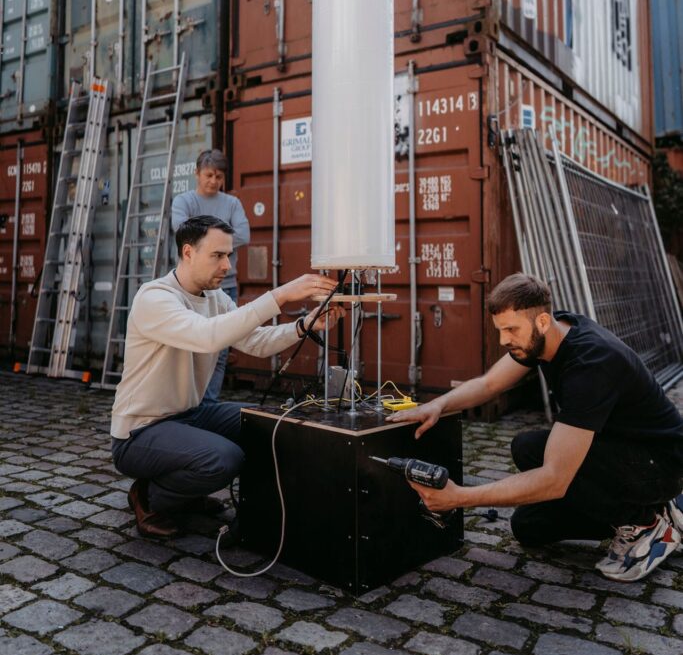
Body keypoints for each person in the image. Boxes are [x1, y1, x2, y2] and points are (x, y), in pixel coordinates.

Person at [392, 273, 683, 582]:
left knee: (545, 463)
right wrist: (437, 405)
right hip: (614, 451)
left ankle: (647, 525)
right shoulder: (547, 335)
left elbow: (555, 479)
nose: (504, 340)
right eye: (500, 330)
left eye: (511, 330)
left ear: (542, 321)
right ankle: (651, 510)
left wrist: (459, 497)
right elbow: (490, 383)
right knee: (529, 523)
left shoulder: (591, 363)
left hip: (660, 464)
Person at [111, 215, 343, 537]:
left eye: (229, 255)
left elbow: (256, 342)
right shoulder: (155, 298)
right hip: (140, 431)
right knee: (223, 459)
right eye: (218, 256)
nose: (228, 265)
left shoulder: (215, 299)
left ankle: (193, 495)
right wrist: (280, 295)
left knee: (265, 423)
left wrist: (303, 326)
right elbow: (207, 336)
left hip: (189, 415)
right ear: (188, 252)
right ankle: (149, 497)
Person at [171, 149, 250, 402]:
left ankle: (209, 402)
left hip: (226, 286)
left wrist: (204, 241)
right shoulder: (183, 201)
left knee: (221, 350)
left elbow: (244, 235)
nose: (214, 181)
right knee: (189, 347)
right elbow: (181, 232)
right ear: (197, 173)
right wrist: (221, 239)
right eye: (208, 175)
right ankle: (187, 401)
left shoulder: (232, 203)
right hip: (191, 288)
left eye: (219, 176)